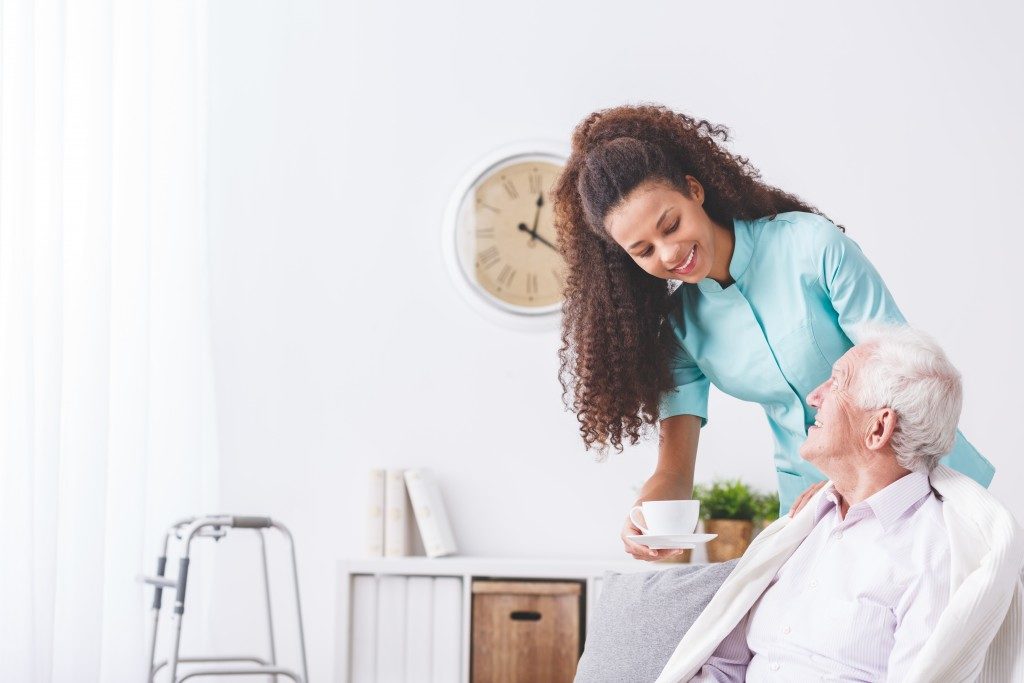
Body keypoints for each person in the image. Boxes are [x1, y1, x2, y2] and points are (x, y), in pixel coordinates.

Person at [550, 104, 994, 561]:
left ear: (694, 191)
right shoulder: (681, 329)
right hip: (811, 510)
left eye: (671, 225)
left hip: (921, 480)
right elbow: (674, 471)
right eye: (643, 250)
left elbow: (905, 375)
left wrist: (848, 480)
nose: (669, 252)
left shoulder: (810, 245)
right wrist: (648, 513)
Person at [654, 325, 1024, 682]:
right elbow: (723, 666)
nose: (814, 396)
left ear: (878, 429)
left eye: (837, 382)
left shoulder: (934, 557)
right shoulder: (804, 524)